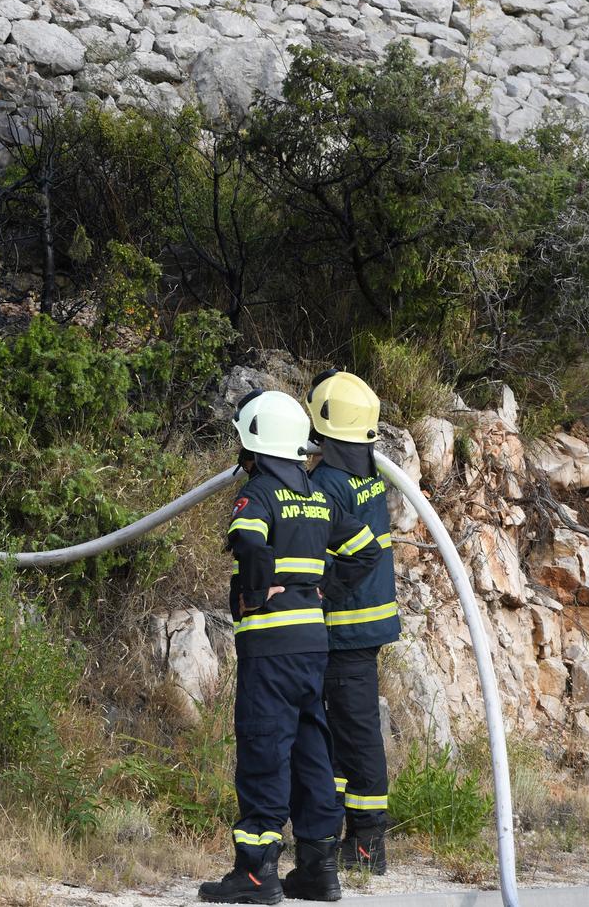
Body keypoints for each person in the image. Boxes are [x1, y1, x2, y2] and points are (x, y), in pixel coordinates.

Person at [199, 389, 376, 905]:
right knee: (311, 750)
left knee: (264, 747)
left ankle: (255, 873)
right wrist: (327, 588)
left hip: (270, 645)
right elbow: (366, 551)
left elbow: (250, 540)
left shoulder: (258, 492)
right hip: (312, 648)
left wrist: (254, 594)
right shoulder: (317, 495)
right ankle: (319, 870)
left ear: (254, 441)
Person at [306, 369, 397, 875]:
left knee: (356, 737)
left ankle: (366, 845)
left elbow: (342, 556)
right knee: (342, 734)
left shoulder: (325, 482)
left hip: (345, 630)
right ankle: (343, 833)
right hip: (366, 626)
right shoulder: (368, 472)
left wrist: (321, 591)